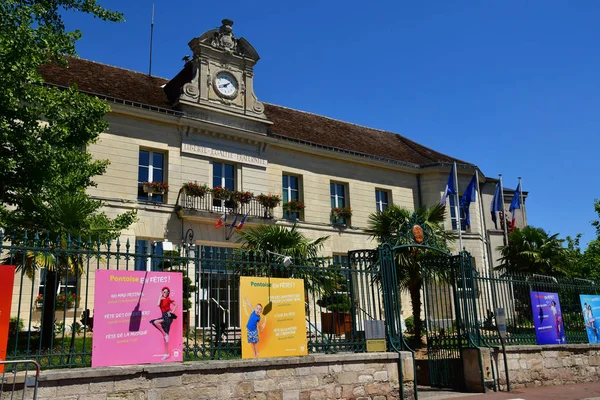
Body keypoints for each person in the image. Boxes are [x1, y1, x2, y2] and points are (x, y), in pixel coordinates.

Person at [150, 286, 177, 361]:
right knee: (164, 335)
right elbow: (158, 304)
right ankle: (166, 353)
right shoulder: (161, 299)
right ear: (162, 292)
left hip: (168, 317)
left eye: (167, 292)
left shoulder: (168, 299)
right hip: (164, 316)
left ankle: (166, 352)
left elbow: (176, 305)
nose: (166, 293)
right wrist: (160, 295)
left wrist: (171, 312)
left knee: (156, 322)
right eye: (164, 292)